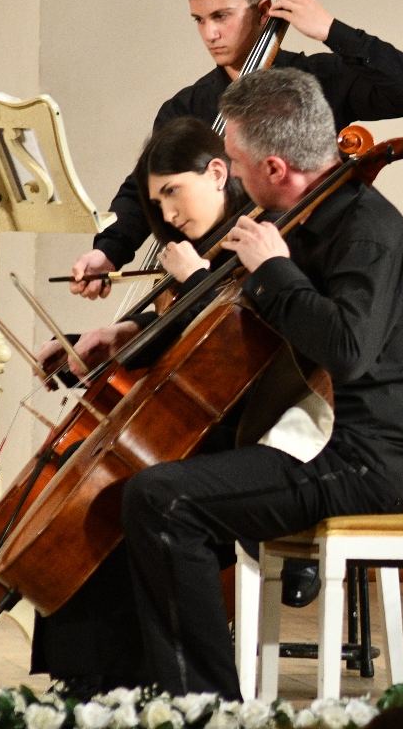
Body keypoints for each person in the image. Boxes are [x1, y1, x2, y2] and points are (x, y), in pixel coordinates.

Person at [108, 66, 403, 697]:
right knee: (122, 479)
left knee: (163, 499)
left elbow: (349, 351)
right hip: (291, 437)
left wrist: (276, 273)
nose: (235, 175)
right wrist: (135, 332)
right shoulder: (297, 217)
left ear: (277, 168)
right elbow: (228, 311)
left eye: (238, 161)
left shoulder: (370, 232)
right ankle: (107, 683)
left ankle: (206, 705)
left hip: (353, 458)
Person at [70, 0, 403, 298]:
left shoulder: (316, 84)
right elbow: (142, 191)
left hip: (303, 284)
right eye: (199, 20)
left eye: (221, 16)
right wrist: (107, 252)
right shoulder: (187, 107)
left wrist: (331, 29)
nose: (209, 34)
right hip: (211, 293)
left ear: (263, 11)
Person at [32, 117, 249, 690]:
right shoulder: (199, 247)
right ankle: (85, 680)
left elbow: (239, 335)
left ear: (219, 172)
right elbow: (173, 327)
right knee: (85, 492)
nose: (169, 214)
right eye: (158, 201)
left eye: (174, 191)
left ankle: (125, 682)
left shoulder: (256, 238)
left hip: (236, 430)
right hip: (188, 422)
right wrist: (107, 335)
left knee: (115, 496)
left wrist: (198, 279)